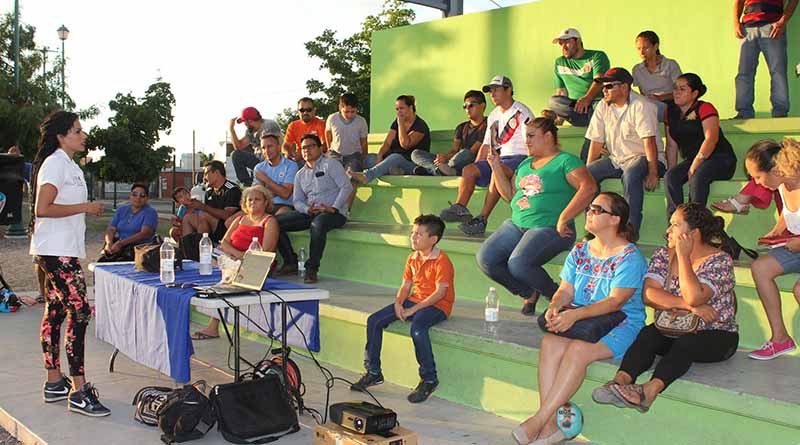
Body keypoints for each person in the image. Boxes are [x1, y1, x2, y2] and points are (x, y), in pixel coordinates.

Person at [511, 192, 646, 445]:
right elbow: (566, 290)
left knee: (577, 351)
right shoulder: (581, 249)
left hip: (621, 323)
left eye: (597, 209)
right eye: (589, 208)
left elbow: (616, 302)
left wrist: (575, 315)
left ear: (615, 219)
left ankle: (539, 420)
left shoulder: (630, 257)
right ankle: (550, 425)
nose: (589, 213)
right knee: (550, 342)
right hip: (583, 320)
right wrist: (555, 305)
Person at [593, 203, 738, 413]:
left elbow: (694, 296)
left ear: (693, 234)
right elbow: (649, 294)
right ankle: (619, 382)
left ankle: (649, 391)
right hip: (673, 327)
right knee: (648, 334)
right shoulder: (663, 254)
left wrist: (683, 257)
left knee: (687, 343)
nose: (667, 231)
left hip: (718, 336)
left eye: (675, 225)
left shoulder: (720, 261)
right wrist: (690, 308)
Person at [29, 110, 110, 417]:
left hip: (64, 249)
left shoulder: (70, 165)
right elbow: (42, 208)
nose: (83, 134)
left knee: (56, 311)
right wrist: (86, 207)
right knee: (80, 312)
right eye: (77, 130)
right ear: (61, 136)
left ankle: (54, 382)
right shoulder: (54, 164)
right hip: (55, 251)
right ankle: (79, 390)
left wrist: (84, 208)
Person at [477, 117, 596, 316]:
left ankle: (558, 298)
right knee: (486, 258)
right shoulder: (525, 163)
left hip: (550, 227)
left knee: (518, 264)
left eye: (531, 136)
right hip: (517, 224)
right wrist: (495, 166)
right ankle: (528, 292)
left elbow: (589, 187)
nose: (527, 141)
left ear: (548, 136)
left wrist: (564, 218)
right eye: (526, 136)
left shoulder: (566, 161)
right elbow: (509, 195)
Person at [350, 215, 454, 404]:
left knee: (418, 329)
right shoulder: (412, 257)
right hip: (414, 301)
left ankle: (429, 379)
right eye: (413, 233)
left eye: (419, 234)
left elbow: (440, 293)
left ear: (433, 239)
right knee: (374, 321)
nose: (413, 237)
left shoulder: (441, 260)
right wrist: (399, 303)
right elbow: (406, 285)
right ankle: (373, 371)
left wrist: (413, 310)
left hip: (437, 305)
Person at [439, 76, 534, 237]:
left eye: (496, 90)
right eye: (491, 91)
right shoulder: (494, 115)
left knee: (497, 171)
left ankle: (482, 219)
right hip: (499, 159)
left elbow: (532, 143)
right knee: (469, 170)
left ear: (508, 90)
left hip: (519, 159)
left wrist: (530, 168)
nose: (492, 94)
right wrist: (477, 167)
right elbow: (486, 145)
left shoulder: (522, 112)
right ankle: (459, 207)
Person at [192, 186, 280, 340]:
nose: (252, 202)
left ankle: (213, 326)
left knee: (227, 279)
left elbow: (266, 251)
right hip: (233, 260)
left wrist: (240, 259)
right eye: (249, 200)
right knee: (205, 266)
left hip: (256, 265)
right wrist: (237, 256)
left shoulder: (269, 221)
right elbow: (224, 242)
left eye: (257, 199)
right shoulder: (240, 219)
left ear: (266, 202)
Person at [585, 67, 666, 234]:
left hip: (645, 157)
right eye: (603, 87)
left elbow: (649, 142)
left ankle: (630, 230)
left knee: (630, 175)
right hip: (617, 160)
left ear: (624, 87)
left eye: (609, 86)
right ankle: (595, 228)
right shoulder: (602, 105)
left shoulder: (642, 105)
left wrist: (653, 173)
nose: (604, 90)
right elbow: (596, 141)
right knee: (587, 174)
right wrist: (588, 172)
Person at [747, 138, 800, 359]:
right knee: (761, 268)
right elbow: (788, 214)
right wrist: (776, 231)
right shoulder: (781, 185)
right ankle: (780, 339)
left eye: (758, 177)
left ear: (776, 170)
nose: (756, 183)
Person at [275, 134, 353, 284]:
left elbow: (346, 187)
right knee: (274, 222)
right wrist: (307, 209)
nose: (306, 150)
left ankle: (312, 269)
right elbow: (297, 200)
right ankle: (290, 261)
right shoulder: (300, 174)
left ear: (320, 148)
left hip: (334, 213)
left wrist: (334, 207)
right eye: (303, 148)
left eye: (311, 146)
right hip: (312, 212)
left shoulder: (331, 164)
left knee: (318, 224)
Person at [664, 73, 737, 218]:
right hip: (693, 159)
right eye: (675, 88)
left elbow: (711, 139)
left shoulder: (705, 108)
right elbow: (671, 146)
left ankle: (696, 221)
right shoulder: (670, 112)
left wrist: (696, 164)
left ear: (694, 93)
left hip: (720, 158)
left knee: (698, 175)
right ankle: (676, 221)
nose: (676, 92)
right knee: (671, 177)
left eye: (682, 89)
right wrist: (672, 170)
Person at [546, 28, 610, 162]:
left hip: (595, 105)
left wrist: (587, 99)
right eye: (561, 43)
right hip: (576, 109)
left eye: (567, 42)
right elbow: (561, 93)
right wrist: (559, 119)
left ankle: (588, 158)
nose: (563, 47)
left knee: (600, 106)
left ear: (578, 41)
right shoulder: (560, 62)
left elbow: (599, 81)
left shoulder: (597, 56)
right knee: (553, 101)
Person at [734, 0, 797, 119]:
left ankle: (780, 112)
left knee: (778, 72)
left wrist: (782, 22)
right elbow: (739, 1)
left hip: (773, 26)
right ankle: (744, 112)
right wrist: (736, 22)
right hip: (748, 28)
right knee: (744, 73)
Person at [350, 95, 431, 183]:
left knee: (395, 157)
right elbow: (387, 143)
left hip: (411, 164)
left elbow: (405, 144)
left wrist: (401, 124)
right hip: (390, 159)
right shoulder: (396, 122)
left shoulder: (420, 126)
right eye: (397, 109)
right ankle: (392, 170)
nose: (399, 112)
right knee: (369, 158)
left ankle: (366, 176)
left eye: (401, 108)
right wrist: (380, 155)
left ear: (411, 108)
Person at [411, 90, 487, 176]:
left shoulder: (487, 125)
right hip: (453, 161)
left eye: (471, 105)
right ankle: (439, 170)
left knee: (466, 153)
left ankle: (435, 170)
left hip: (470, 162)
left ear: (482, 105)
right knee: (415, 154)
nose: (467, 109)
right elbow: (454, 150)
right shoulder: (461, 127)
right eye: (465, 106)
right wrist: (443, 158)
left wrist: (447, 160)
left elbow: (473, 151)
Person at [181, 160, 242, 250]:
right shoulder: (209, 191)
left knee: (204, 215)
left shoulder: (232, 189)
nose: (204, 178)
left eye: (206, 173)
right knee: (188, 218)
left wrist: (203, 207)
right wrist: (192, 206)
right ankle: (188, 252)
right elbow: (205, 211)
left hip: (227, 228)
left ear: (216, 173)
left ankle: (200, 250)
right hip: (211, 226)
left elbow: (228, 215)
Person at [98, 183, 159, 262]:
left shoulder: (150, 212)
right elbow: (111, 228)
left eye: (142, 195)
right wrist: (109, 243)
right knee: (101, 263)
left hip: (139, 251)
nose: (138, 198)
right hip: (119, 248)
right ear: (130, 196)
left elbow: (145, 233)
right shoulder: (122, 210)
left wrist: (121, 244)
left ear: (147, 198)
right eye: (134, 194)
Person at [631, 30, 682, 121]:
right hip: (647, 104)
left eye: (646, 48)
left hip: (669, 104)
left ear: (656, 46)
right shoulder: (637, 70)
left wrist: (660, 98)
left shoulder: (670, 65)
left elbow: (680, 91)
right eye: (639, 49)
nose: (642, 52)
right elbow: (642, 93)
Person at [228, 107, 282, 186]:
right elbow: (238, 147)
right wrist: (231, 129)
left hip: (273, 161)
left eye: (245, 122)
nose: (245, 125)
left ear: (249, 121)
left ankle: (263, 180)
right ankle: (248, 184)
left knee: (267, 152)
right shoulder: (250, 131)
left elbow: (271, 149)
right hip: (259, 161)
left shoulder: (269, 126)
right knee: (236, 155)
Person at [252, 132, 299, 215]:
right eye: (263, 148)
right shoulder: (259, 168)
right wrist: (278, 189)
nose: (266, 150)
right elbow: (257, 194)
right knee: (235, 219)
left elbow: (285, 194)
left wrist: (266, 180)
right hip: (263, 206)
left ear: (279, 147)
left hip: (284, 205)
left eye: (270, 146)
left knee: (277, 218)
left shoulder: (291, 165)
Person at [326, 93, 370, 172]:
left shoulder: (361, 121)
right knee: (330, 171)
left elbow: (363, 141)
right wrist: (329, 148)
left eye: (353, 112)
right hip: (335, 153)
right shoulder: (332, 118)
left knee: (352, 173)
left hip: (354, 155)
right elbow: (328, 132)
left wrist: (364, 157)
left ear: (357, 109)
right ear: (340, 108)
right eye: (346, 112)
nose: (349, 115)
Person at [284, 97, 328, 165]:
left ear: (314, 111)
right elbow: (285, 145)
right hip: (299, 160)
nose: (305, 112)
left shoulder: (321, 124)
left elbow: (324, 146)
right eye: (302, 110)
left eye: (309, 110)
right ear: (298, 112)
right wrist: (290, 154)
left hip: (318, 158)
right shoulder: (293, 126)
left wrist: (304, 154)